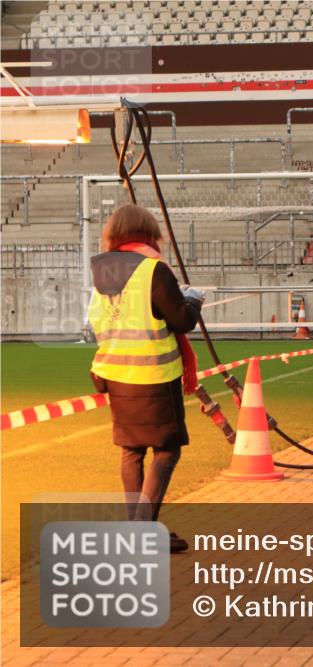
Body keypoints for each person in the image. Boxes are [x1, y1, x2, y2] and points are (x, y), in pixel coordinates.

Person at [87, 204, 204, 554]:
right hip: (153, 373)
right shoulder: (153, 269)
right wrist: (194, 300)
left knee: (132, 450)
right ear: (150, 234)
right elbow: (181, 320)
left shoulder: (101, 271)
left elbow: (96, 320)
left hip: (115, 374)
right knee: (166, 450)